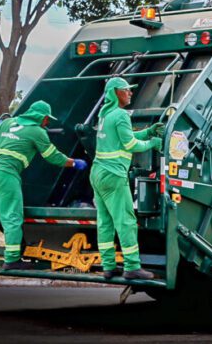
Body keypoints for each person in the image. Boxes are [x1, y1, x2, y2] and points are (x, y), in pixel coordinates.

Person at [0, 100, 88, 270]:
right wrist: (73, 163)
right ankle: (11, 260)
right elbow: (52, 156)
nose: (48, 122)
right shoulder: (37, 132)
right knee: (12, 217)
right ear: (40, 117)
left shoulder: (9, 123)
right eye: (47, 119)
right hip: (6, 174)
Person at [91, 77, 164, 280]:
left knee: (104, 222)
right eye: (126, 90)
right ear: (116, 92)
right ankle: (132, 266)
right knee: (126, 221)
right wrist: (153, 142)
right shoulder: (121, 114)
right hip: (114, 175)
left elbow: (125, 137)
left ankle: (108, 266)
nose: (130, 93)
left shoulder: (104, 114)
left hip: (97, 173)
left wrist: (147, 132)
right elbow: (131, 145)